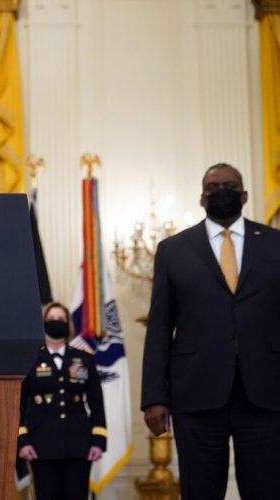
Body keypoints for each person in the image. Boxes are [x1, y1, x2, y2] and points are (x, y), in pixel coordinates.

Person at [141, 163, 280, 498]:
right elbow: (159, 326)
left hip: (266, 392)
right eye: (214, 186)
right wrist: (154, 397)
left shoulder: (275, 244)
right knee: (201, 490)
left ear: (244, 196)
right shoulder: (174, 250)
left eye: (230, 186)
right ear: (202, 198)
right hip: (196, 393)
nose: (222, 191)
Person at [17, 302, 106, 500]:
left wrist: (98, 441)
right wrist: (22, 441)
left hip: (79, 446)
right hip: (40, 446)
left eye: (61, 319)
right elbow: (19, 407)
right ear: (42, 324)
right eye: (51, 319)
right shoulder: (31, 359)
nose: (56, 323)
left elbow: (97, 405)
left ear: (69, 324)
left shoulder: (83, 359)